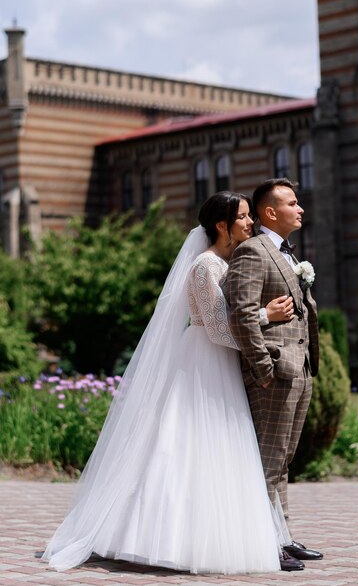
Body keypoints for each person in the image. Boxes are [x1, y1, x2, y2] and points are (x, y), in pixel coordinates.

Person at [42, 191, 303, 574]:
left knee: (225, 448)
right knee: (186, 444)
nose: (250, 223)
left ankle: (232, 535)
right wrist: (264, 317)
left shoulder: (235, 261)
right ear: (222, 225)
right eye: (244, 217)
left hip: (224, 364)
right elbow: (215, 328)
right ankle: (166, 538)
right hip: (203, 360)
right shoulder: (205, 266)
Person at [224, 178, 323, 563]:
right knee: (267, 462)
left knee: (282, 460)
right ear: (270, 212)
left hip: (300, 370)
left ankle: (282, 536)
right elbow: (242, 315)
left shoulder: (286, 252)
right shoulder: (252, 251)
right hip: (274, 373)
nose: (300, 209)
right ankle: (264, 544)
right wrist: (262, 368)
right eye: (292, 203)